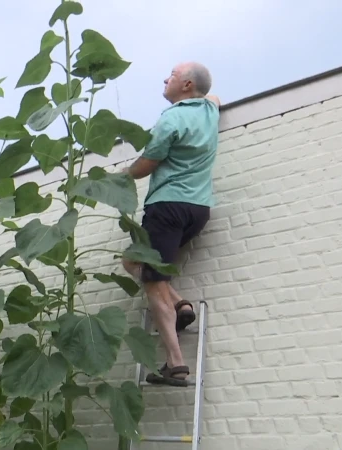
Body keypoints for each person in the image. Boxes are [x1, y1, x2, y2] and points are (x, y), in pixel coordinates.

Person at [118, 62, 221, 386]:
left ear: (187, 85)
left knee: (152, 280)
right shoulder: (209, 110)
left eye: (173, 75)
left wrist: (117, 178)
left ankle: (175, 363)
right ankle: (180, 302)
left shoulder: (172, 118)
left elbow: (148, 163)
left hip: (167, 206)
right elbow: (215, 98)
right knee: (133, 261)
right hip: (198, 209)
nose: (165, 79)